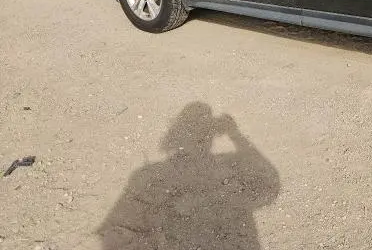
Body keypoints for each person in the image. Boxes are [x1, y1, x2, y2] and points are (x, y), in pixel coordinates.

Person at [97, 102, 279, 249]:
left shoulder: (148, 175)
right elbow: (269, 181)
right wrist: (234, 133)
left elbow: (114, 236)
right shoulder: (149, 175)